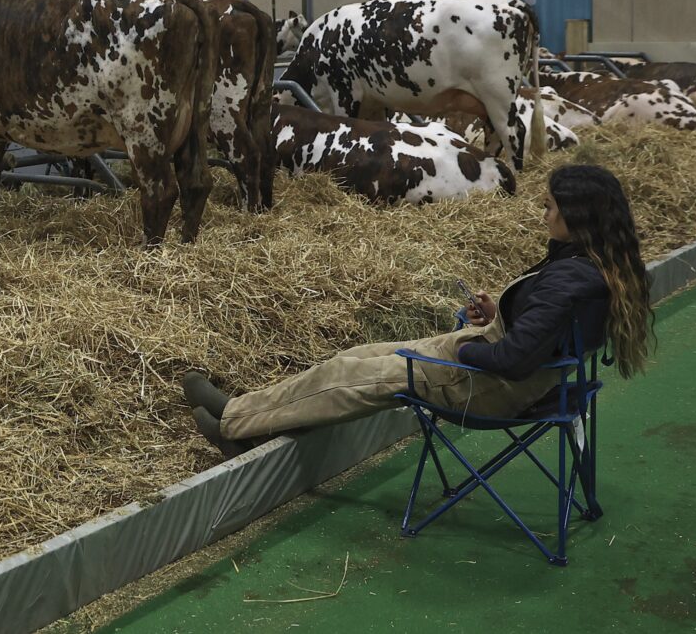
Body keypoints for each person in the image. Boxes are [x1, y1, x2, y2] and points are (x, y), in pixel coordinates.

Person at [183, 165, 656, 458]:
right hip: (501, 366)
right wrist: (500, 314)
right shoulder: (593, 263)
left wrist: (466, 350)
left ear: (580, 215)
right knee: (360, 353)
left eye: (550, 207)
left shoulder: (574, 277)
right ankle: (255, 420)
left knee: (351, 375)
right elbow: (543, 329)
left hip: (488, 386)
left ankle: (232, 425)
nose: (544, 215)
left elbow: (513, 360)